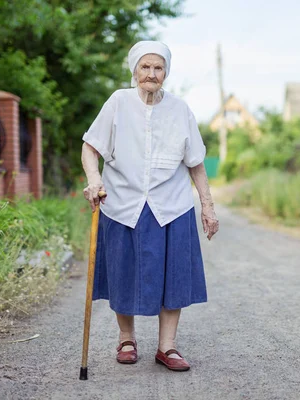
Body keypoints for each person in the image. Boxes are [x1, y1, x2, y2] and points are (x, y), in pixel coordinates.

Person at [81, 40, 219, 372]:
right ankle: (126, 338)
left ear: (166, 73)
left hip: (171, 205)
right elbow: (90, 147)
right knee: (122, 272)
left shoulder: (180, 109)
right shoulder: (118, 102)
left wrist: (207, 205)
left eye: (158, 68)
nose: (151, 74)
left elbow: (196, 162)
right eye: (146, 67)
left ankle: (167, 347)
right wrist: (93, 179)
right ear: (134, 70)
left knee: (174, 277)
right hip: (122, 203)